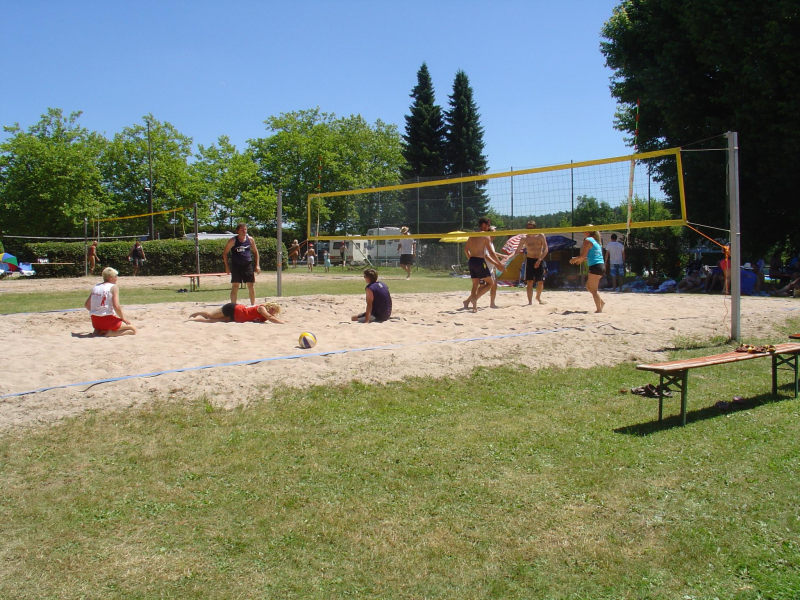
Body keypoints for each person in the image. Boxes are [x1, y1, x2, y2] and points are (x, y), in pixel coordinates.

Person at [462, 217, 504, 312]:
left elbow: (466, 249)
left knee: (475, 285)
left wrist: (471, 258)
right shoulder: (485, 236)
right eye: (488, 225)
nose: (488, 227)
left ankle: (474, 307)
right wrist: (499, 264)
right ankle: (474, 300)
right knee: (491, 283)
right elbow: (491, 253)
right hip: (480, 261)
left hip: (472, 260)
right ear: (483, 224)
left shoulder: (472, 234)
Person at [84, 267, 136, 336]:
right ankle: (111, 333)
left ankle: (100, 331)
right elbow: (116, 306)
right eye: (115, 276)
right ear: (110, 278)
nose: (117, 278)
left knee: (103, 326)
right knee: (133, 330)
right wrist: (123, 318)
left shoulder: (96, 286)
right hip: (107, 320)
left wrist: (97, 311)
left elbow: (87, 305)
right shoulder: (113, 287)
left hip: (95, 322)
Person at [569, 228, 606, 313]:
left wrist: (575, 260)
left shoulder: (588, 240)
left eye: (584, 230)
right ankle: (601, 302)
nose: (582, 232)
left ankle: (599, 309)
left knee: (594, 289)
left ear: (588, 232)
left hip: (595, 266)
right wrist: (577, 259)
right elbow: (589, 257)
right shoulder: (596, 241)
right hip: (601, 266)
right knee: (588, 286)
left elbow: (582, 256)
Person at [222, 223, 260, 305]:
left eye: (245, 229)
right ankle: (233, 306)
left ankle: (252, 305)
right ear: (238, 231)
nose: (244, 231)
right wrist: (227, 267)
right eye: (242, 230)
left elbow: (256, 252)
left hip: (247, 265)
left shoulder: (250, 239)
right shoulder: (233, 241)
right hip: (236, 266)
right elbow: (225, 253)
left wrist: (257, 265)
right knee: (235, 286)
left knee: (251, 286)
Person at [514, 220, 549, 305]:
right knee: (529, 282)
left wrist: (539, 260)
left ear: (535, 228)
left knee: (540, 281)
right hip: (529, 260)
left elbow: (546, 249)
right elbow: (517, 251)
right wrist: (507, 257)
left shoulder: (540, 235)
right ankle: (530, 302)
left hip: (539, 259)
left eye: (531, 228)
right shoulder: (524, 238)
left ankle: (538, 297)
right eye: (528, 228)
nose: (529, 229)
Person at [189, 301, 284, 323]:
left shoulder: (265, 317)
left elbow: (271, 317)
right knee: (211, 315)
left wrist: (282, 321)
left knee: (213, 320)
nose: (273, 312)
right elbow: (271, 318)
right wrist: (282, 323)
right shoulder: (262, 308)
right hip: (233, 308)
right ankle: (197, 313)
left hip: (236, 318)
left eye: (275, 311)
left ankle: (194, 320)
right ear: (269, 307)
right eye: (273, 309)